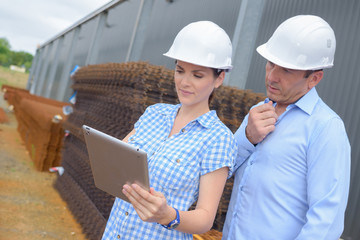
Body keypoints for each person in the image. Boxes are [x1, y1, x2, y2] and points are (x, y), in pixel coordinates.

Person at [101, 21, 237, 240]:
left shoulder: (218, 139)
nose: (184, 82)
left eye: (197, 75)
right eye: (180, 70)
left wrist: (168, 215)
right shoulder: (154, 114)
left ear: (219, 78)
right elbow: (119, 157)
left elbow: (205, 218)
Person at [222, 15, 351, 240]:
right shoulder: (257, 112)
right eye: (271, 63)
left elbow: (326, 222)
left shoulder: (326, 128)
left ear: (314, 78)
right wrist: (247, 137)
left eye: (287, 70)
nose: (272, 76)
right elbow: (221, 171)